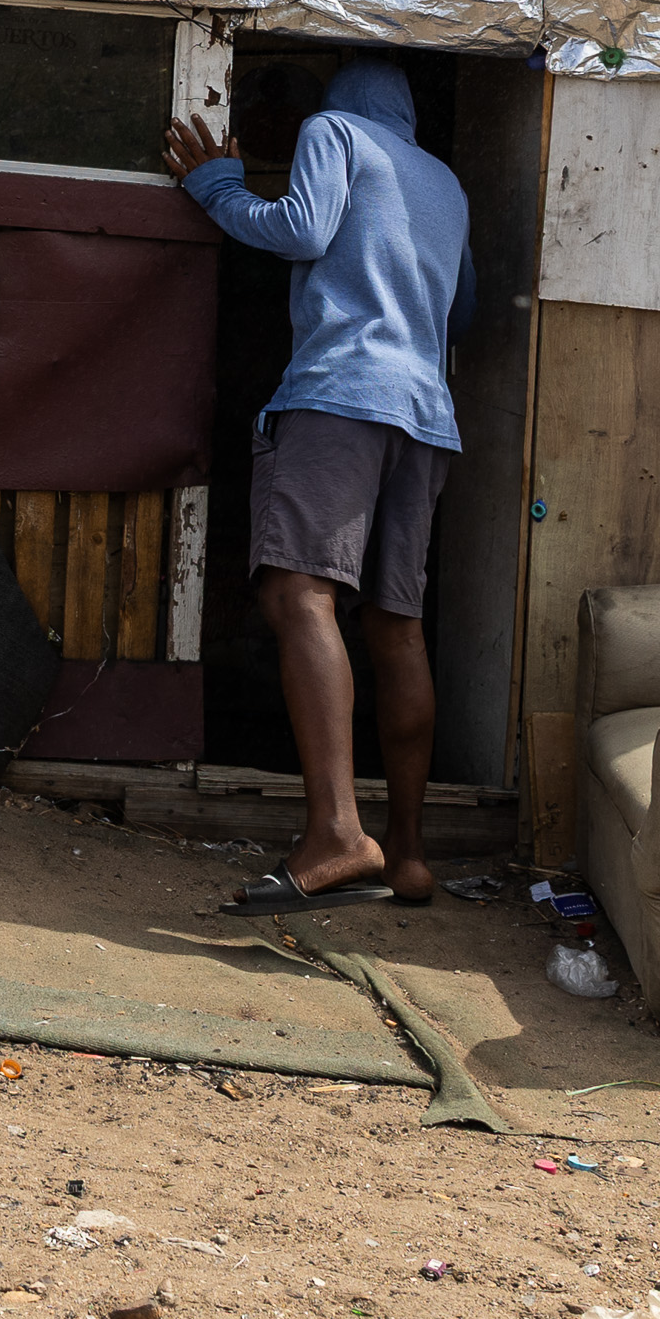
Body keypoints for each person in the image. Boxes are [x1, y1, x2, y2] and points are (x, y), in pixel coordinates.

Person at [162, 54, 474, 912]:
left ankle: (337, 831)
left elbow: (302, 228)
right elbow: (464, 308)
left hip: (342, 393)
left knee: (299, 593)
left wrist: (219, 187)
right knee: (396, 626)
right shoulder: (446, 182)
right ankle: (407, 855)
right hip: (425, 415)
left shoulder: (334, 131)